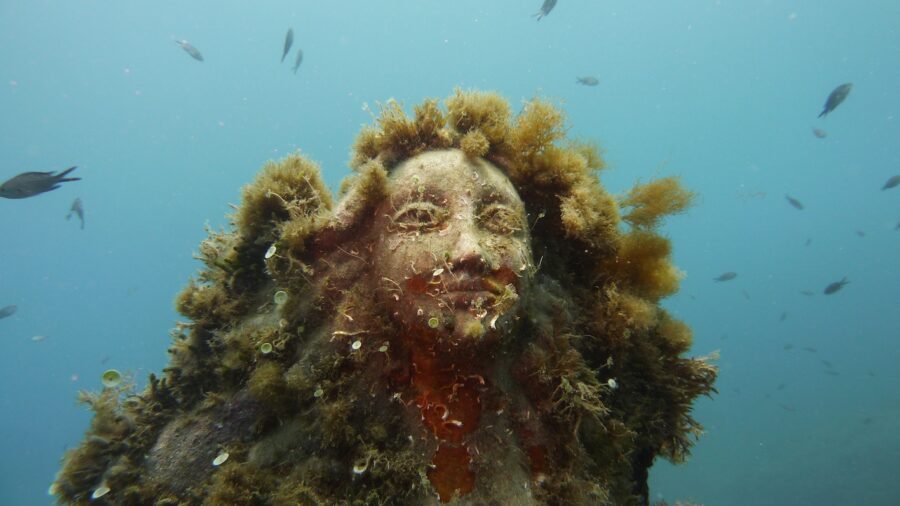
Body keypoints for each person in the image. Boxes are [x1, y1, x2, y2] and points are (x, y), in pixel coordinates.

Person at [53, 90, 716, 505]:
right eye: (423, 218)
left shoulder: (587, 424)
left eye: (499, 223)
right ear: (360, 252)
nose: (471, 251)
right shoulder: (249, 429)